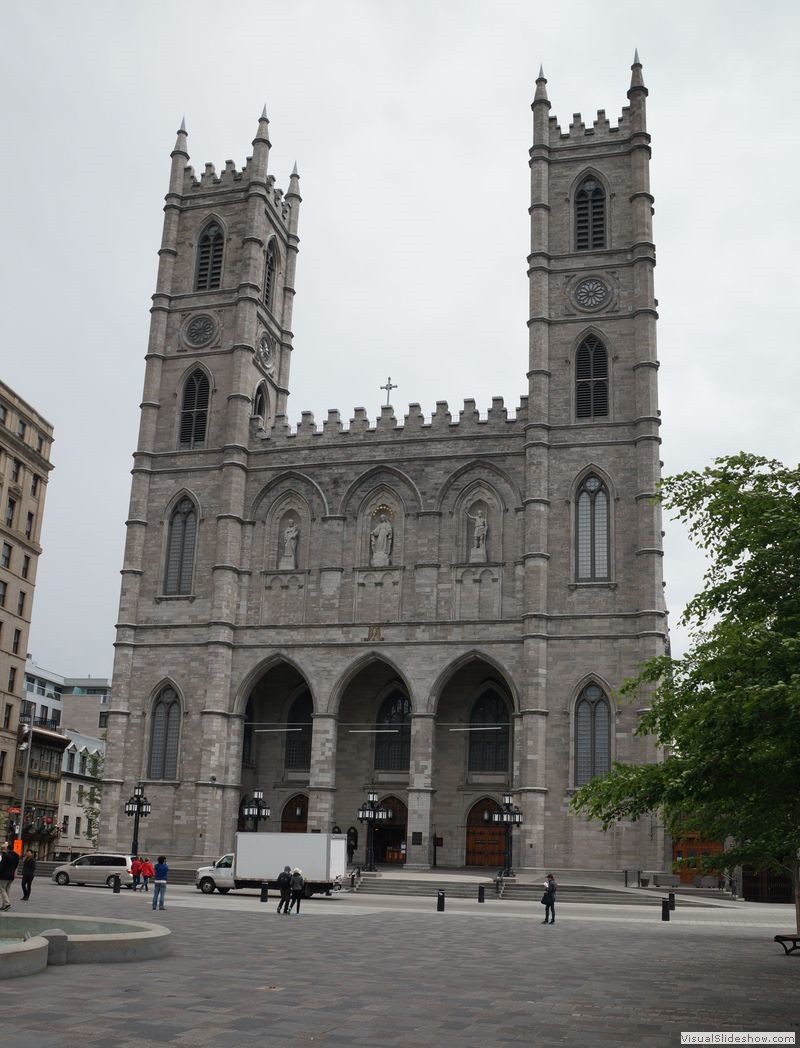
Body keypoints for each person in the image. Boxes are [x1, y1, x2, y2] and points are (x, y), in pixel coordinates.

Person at [0, 844, 20, 911]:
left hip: (4, 875)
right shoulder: (17, 856)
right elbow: (16, 866)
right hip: (11, 875)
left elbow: (2, 866)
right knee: (7, 889)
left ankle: (7, 903)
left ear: (7, 849)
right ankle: (4, 905)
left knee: (2, 889)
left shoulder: (6, 855)